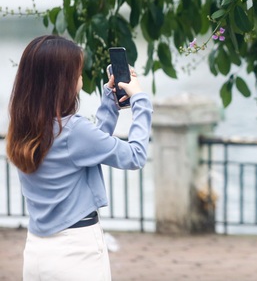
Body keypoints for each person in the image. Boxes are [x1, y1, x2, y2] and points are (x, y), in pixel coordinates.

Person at [5, 35, 153, 281]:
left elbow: (89, 148)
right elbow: (135, 156)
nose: (81, 80)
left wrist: (110, 100)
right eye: (78, 73)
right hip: (76, 254)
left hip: (36, 252)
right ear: (62, 82)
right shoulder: (73, 131)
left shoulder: (24, 128)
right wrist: (141, 101)